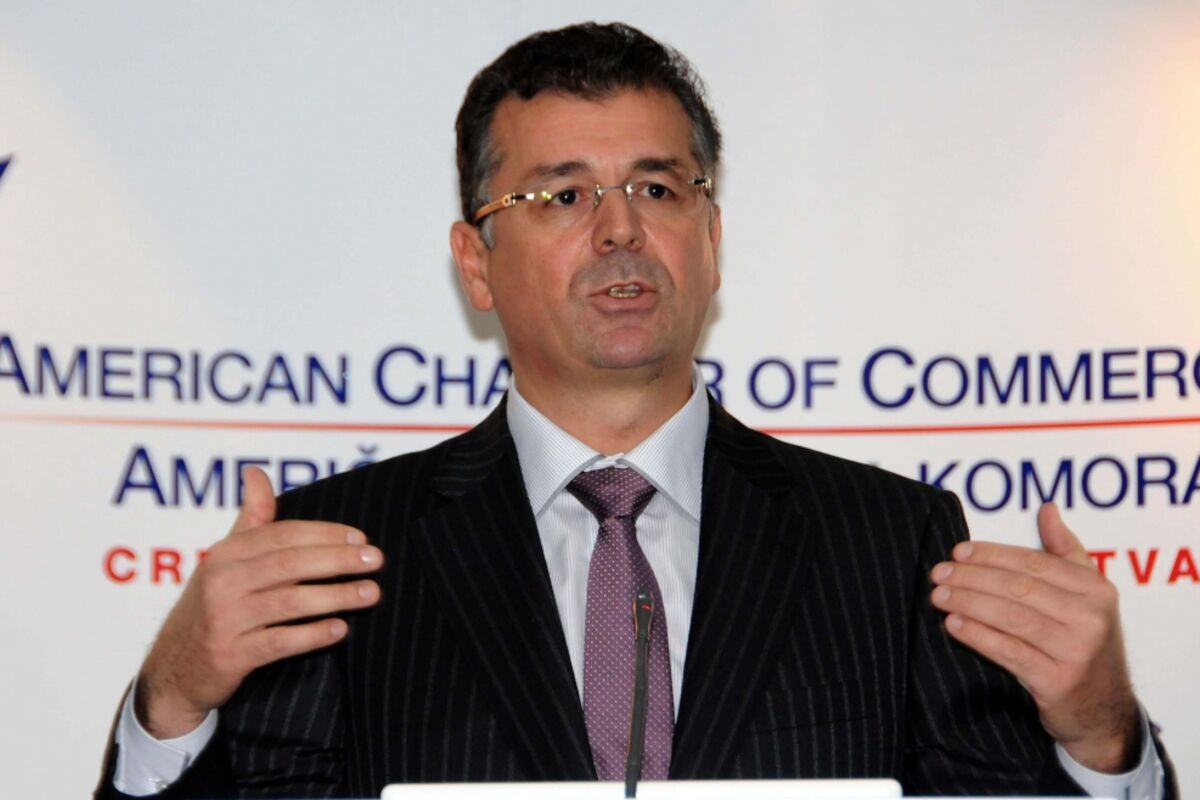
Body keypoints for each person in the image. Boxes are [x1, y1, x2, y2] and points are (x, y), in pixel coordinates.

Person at [97, 21, 1175, 798]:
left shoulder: (893, 544)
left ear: (711, 241)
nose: (619, 230)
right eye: (562, 195)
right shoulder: (340, 555)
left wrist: (1100, 743)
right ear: (476, 262)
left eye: (659, 189)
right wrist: (173, 703)